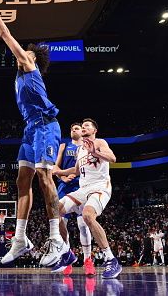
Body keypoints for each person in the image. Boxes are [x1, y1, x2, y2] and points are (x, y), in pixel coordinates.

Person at [0, 0, 65, 267]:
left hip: (45, 126)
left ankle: (56, 240)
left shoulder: (32, 71)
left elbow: (9, 39)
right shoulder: (19, 77)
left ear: (33, 61)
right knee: (22, 182)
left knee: (44, 177)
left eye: (27, 54)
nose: (23, 56)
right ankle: (20, 239)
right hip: (30, 130)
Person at [51, 118, 122, 279]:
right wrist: (58, 172)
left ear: (94, 130)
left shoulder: (100, 142)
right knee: (55, 210)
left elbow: (113, 158)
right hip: (83, 189)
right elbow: (75, 170)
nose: (83, 128)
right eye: (82, 126)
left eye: (87, 126)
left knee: (88, 216)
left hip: (100, 187)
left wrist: (94, 152)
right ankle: (66, 252)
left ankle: (111, 259)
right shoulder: (80, 150)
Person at [52, 122, 94, 275]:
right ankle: (67, 256)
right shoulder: (64, 146)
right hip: (65, 187)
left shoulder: (88, 147)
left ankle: (88, 260)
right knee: (61, 222)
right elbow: (54, 169)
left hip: (82, 186)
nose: (73, 130)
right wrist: (63, 177)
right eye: (71, 129)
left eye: (76, 128)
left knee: (83, 224)